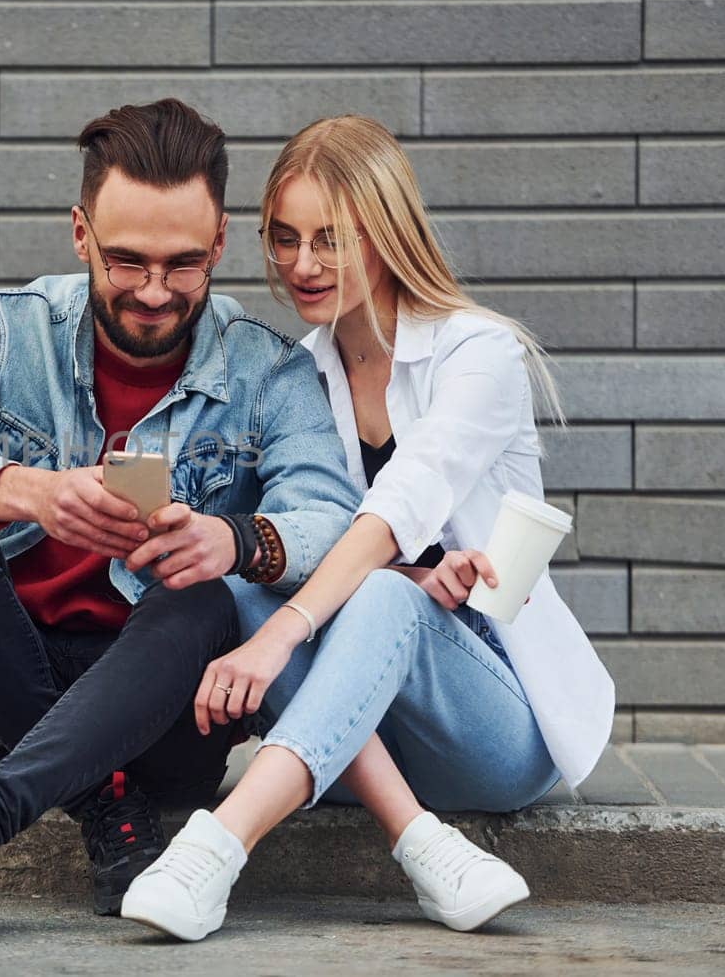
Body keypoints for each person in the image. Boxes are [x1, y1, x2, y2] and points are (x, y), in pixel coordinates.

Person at [0, 98, 363, 941]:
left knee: (208, 593)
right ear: (80, 233)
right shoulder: (2, 329)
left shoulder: (267, 370)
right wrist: (27, 491)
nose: (155, 293)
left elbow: (334, 523)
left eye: (183, 265)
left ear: (220, 245)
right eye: (127, 262)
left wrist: (232, 539)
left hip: (160, 708)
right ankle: (103, 804)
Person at [119, 114, 617, 941]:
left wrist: (290, 632)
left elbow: (403, 506)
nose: (304, 265)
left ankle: (215, 849)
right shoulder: (296, 374)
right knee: (241, 574)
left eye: (332, 239)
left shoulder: (476, 353)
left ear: (386, 233)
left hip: (496, 718)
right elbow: (297, 539)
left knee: (373, 597)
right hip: (363, 732)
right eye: (285, 238)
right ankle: (423, 844)